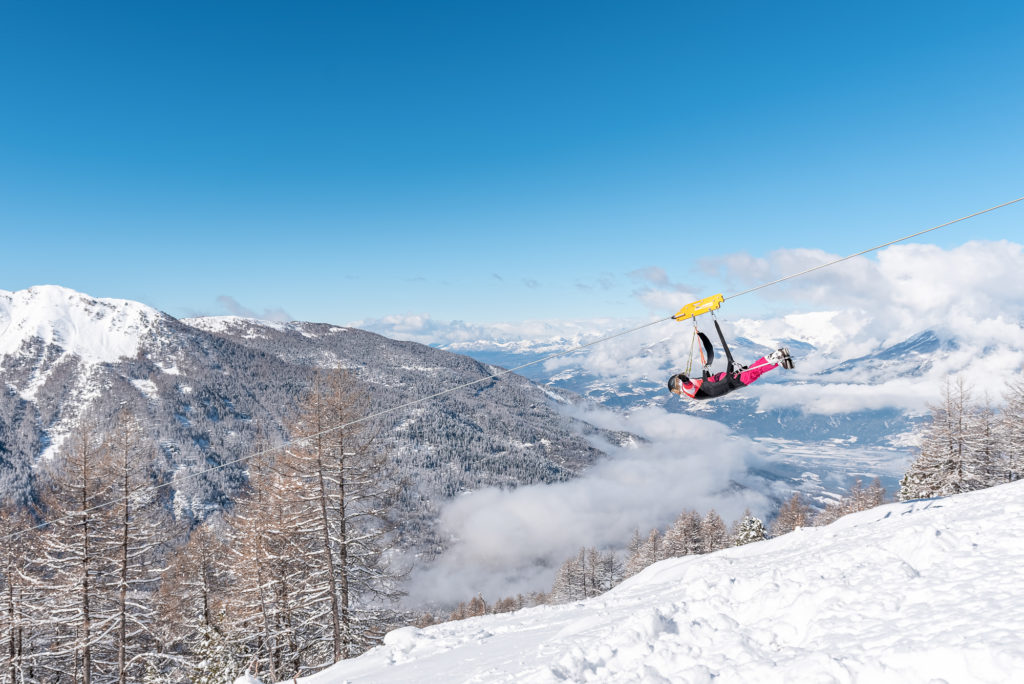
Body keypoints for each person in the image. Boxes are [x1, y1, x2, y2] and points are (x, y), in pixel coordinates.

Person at [668, 348, 794, 400]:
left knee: (755, 371)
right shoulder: (687, 389)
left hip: (731, 381)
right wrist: (683, 379)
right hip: (731, 381)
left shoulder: (692, 389)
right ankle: (778, 357)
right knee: (755, 370)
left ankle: (779, 359)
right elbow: (688, 385)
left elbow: (698, 384)